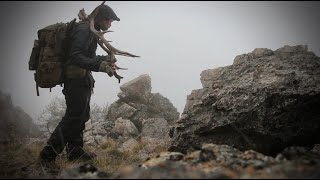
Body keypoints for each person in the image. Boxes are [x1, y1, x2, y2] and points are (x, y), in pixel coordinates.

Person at [39, 4, 120, 164]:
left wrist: (103, 59)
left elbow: (87, 56)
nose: (110, 24)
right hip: (75, 82)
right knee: (72, 118)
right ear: (102, 19)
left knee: (81, 116)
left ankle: (75, 151)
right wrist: (100, 66)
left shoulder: (89, 30)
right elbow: (75, 57)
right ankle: (47, 157)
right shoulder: (84, 30)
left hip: (82, 80)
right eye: (110, 21)